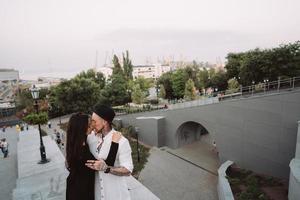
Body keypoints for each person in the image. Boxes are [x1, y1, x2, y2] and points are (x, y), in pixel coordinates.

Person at [66, 113, 121, 200]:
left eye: (91, 123)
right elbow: (107, 164)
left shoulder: (76, 143)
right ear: (80, 129)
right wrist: (114, 142)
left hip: (76, 185)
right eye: (88, 126)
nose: (92, 127)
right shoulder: (82, 154)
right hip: (81, 193)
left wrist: (98, 133)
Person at [86, 104, 133, 200]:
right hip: (97, 194)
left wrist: (107, 168)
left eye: (94, 121)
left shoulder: (122, 141)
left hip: (116, 195)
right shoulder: (90, 138)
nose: (92, 124)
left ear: (104, 122)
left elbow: (127, 171)